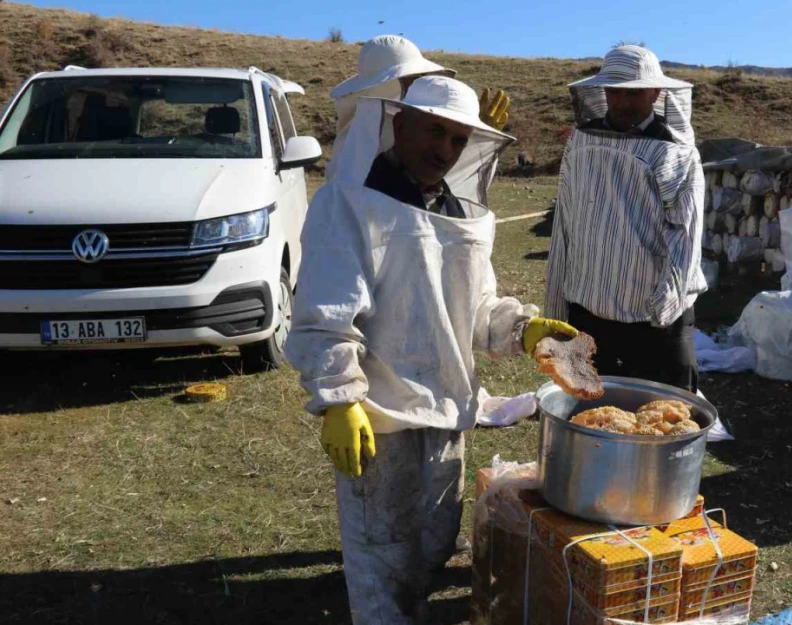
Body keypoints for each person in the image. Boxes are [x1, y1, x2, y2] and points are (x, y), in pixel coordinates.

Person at [286, 76, 575, 625]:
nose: (444, 150)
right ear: (398, 122)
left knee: (431, 543)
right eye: (434, 131)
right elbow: (325, 313)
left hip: (447, 411)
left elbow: (478, 305)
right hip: (380, 417)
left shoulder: (456, 210)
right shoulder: (350, 203)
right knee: (381, 557)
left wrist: (524, 329)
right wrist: (338, 398)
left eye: (458, 140)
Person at [544, 45, 706, 392]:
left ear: (657, 92)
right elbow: (565, 224)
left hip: (653, 321)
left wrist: (664, 311)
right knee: (588, 414)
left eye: (635, 92)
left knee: (665, 417)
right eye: (616, 91)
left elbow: (687, 235)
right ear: (603, 91)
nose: (624, 102)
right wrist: (556, 308)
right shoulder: (581, 143)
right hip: (588, 313)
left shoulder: (675, 151)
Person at [327, 35, 510, 181]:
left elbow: (452, 180)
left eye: (421, 75)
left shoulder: (407, 124)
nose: (418, 83)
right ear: (384, 84)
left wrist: (476, 139)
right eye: (410, 77)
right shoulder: (358, 140)